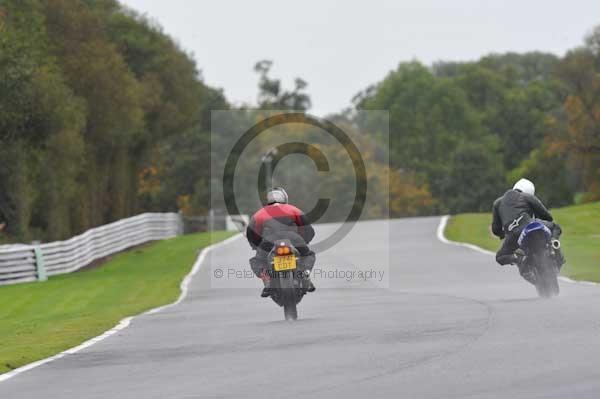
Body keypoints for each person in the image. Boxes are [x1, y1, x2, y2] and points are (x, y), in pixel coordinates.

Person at [246, 187, 316, 298]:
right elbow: (307, 229)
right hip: (294, 239)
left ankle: (267, 279)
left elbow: (252, 233)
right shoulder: (294, 209)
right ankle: (305, 273)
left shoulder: (260, 214)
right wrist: (304, 241)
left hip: (268, 242)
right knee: (308, 255)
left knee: (258, 260)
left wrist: (257, 246)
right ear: (284, 198)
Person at [492, 178, 565, 282]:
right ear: (530, 192)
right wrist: (538, 220)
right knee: (555, 227)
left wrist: (503, 234)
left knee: (500, 257)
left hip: (512, 234)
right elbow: (547, 216)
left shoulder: (497, 203)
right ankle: (554, 244)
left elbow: (496, 229)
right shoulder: (527, 196)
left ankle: (516, 258)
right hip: (529, 225)